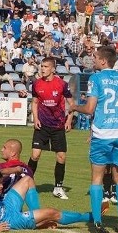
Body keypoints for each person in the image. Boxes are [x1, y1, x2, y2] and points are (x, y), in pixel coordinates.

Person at [72, 45, 118, 233]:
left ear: (103, 61)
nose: (92, 60)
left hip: (102, 134)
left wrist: (75, 106)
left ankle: (98, 223)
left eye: (94, 57)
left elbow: (90, 109)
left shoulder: (96, 78)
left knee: (97, 178)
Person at [0, 166, 102, 233]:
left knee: (27, 179)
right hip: (10, 220)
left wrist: (14, 169)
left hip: (5, 204)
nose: (1, 186)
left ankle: (36, 217)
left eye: (1, 182)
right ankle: (91, 217)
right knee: (53, 212)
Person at [27, 57, 74, 200]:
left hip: (58, 125)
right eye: (41, 66)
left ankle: (58, 188)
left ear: (53, 69)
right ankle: (26, 184)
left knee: (61, 157)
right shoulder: (36, 84)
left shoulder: (62, 84)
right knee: (35, 155)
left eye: (46, 66)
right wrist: (35, 119)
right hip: (42, 126)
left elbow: (71, 103)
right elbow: (35, 103)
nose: (42, 69)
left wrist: (69, 120)